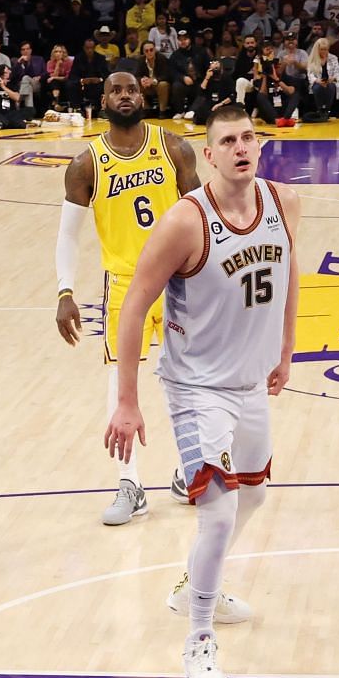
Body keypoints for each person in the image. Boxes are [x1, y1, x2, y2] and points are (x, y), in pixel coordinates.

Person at [103, 102, 301, 678]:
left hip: (249, 382)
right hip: (195, 388)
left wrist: (286, 352)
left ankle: (194, 585)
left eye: (249, 137)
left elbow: (291, 276)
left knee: (256, 496)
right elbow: (135, 303)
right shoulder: (186, 222)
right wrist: (128, 401)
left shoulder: (284, 204)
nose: (241, 148)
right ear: (208, 155)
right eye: (227, 141)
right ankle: (197, 638)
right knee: (216, 512)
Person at [56, 72, 204, 527]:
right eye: (117, 91)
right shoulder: (86, 164)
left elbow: (204, 215)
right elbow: (68, 235)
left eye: (132, 90)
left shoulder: (174, 147)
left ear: (144, 95)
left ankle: (190, 471)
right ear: (103, 100)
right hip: (123, 281)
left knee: (192, 376)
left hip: (179, 278)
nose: (125, 96)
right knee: (120, 382)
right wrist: (65, 291)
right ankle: (130, 482)